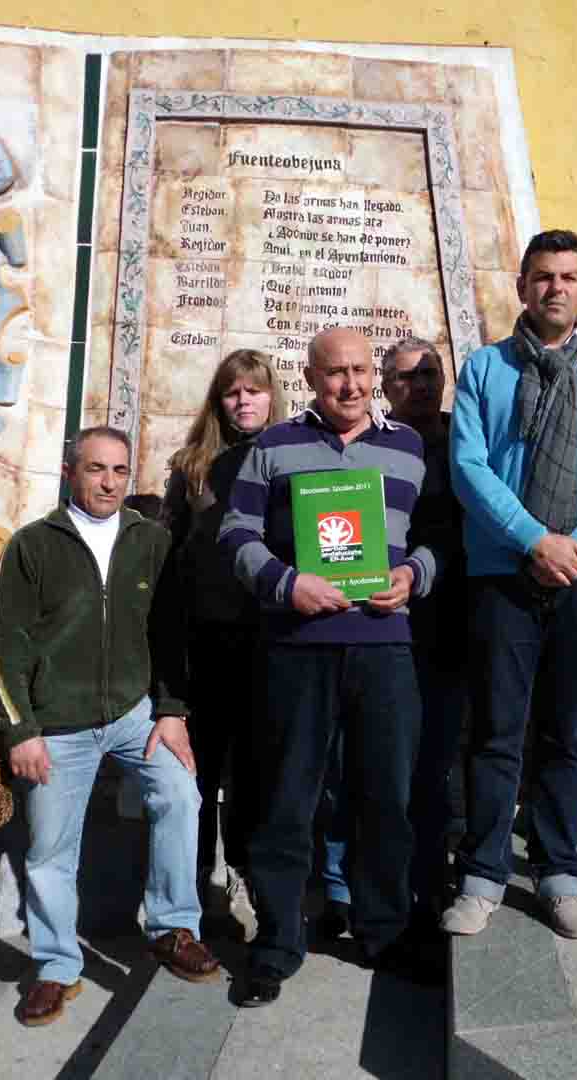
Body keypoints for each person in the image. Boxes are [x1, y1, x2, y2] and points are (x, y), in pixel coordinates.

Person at [219, 326, 439, 1006]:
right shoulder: (274, 447)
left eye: (360, 370)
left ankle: (383, 928)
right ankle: (279, 940)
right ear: (310, 378)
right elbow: (236, 533)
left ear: (376, 374)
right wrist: (288, 584)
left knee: (386, 796)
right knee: (287, 798)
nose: (350, 384)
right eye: (334, 372)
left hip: (384, 648)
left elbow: (438, 541)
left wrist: (412, 575)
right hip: (297, 648)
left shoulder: (409, 447)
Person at [444, 230, 577, 941]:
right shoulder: (485, 369)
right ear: (522, 285)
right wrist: (534, 539)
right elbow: (469, 467)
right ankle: (483, 872)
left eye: (567, 276)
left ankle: (559, 871)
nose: (554, 287)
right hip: (504, 569)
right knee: (496, 729)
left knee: (567, 732)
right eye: (542, 276)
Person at [0, 425, 219, 1027]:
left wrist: (171, 711)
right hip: (57, 726)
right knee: (48, 850)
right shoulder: (33, 545)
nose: (108, 482)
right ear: (72, 472)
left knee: (179, 794)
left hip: (132, 712)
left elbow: (170, 633)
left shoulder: (151, 541)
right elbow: (5, 644)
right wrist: (21, 729)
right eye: (96, 469)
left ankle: (173, 928)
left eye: (119, 471)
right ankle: (55, 965)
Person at [321, 337, 468, 937]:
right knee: (349, 762)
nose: (421, 386)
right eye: (406, 377)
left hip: (445, 623)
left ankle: (428, 882)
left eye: (430, 373)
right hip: (373, 625)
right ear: (387, 386)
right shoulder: (366, 446)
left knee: (432, 762)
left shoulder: (467, 442)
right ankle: (338, 884)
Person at [158, 349, 286, 937]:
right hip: (205, 637)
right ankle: (192, 888)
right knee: (200, 771)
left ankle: (244, 874)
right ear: (219, 399)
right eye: (233, 392)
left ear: (271, 396)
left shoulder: (291, 454)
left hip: (264, 637)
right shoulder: (193, 467)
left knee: (254, 769)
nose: (244, 401)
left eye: (255, 391)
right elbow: (169, 552)